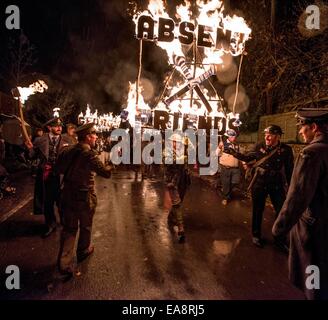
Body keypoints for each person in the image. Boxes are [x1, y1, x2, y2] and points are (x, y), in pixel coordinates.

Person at [272, 109, 328, 300]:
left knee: (313, 279)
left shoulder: (311, 154)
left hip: (314, 230)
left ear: (314, 128)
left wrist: (280, 227)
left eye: (303, 127)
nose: (300, 132)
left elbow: (298, 196)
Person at [56, 123, 112, 276]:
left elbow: (59, 168)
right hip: (84, 196)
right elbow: (106, 173)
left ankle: (64, 263)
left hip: (67, 194)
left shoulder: (67, 150)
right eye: (94, 135)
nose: (96, 138)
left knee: (69, 228)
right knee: (86, 225)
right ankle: (83, 250)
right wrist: (113, 161)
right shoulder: (89, 154)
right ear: (88, 137)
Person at [225, 125, 294, 247]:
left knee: (280, 211)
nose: (267, 137)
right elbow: (247, 157)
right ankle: (256, 235)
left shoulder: (286, 150)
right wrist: (234, 153)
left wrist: (291, 187)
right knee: (258, 210)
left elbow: (289, 170)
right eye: (265, 134)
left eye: (270, 135)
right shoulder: (259, 146)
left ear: (278, 136)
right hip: (260, 183)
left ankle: (279, 238)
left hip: (276, 184)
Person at [25, 117, 73, 238]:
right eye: (56, 126)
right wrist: (29, 148)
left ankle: (64, 222)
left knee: (62, 201)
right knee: (48, 202)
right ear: (49, 127)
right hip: (46, 177)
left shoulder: (68, 140)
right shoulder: (39, 140)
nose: (59, 128)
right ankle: (50, 224)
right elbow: (32, 156)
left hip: (62, 177)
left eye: (60, 126)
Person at [164, 133, 191, 243]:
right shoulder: (167, 152)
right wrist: (180, 159)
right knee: (177, 202)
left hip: (182, 179)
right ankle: (181, 228)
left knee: (180, 199)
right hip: (172, 181)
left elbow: (185, 165)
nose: (177, 144)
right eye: (175, 142)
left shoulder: (183, 151)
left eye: (179, 142)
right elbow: (168, 163)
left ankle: (171, 216)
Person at [217, 129, 241, 205]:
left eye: (235, 136)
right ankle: (225, 198)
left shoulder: (237, 145)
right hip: (225, 168)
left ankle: (226, 192)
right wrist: (219, 147)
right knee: (226, 183)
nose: (234, 138)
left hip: (235, 168)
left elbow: (239, 155)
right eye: (233, 136)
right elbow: (217, 154)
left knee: (235, 182)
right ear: (229, 137)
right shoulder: (223, 144)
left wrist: (244, 163)